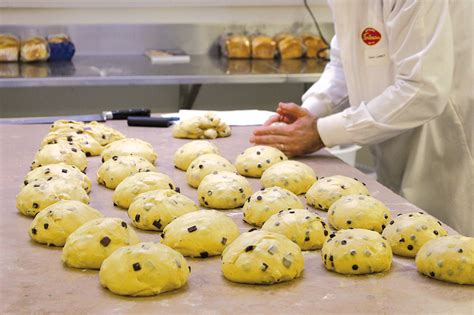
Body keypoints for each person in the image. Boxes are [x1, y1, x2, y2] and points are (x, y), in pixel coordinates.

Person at [250, 0, 473, 236]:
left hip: (443, 136)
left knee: (446, 242)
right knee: (402, 235)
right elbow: (346, 61)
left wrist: (321, 132)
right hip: (392, 130)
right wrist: (312, 110)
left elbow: (424, 90)